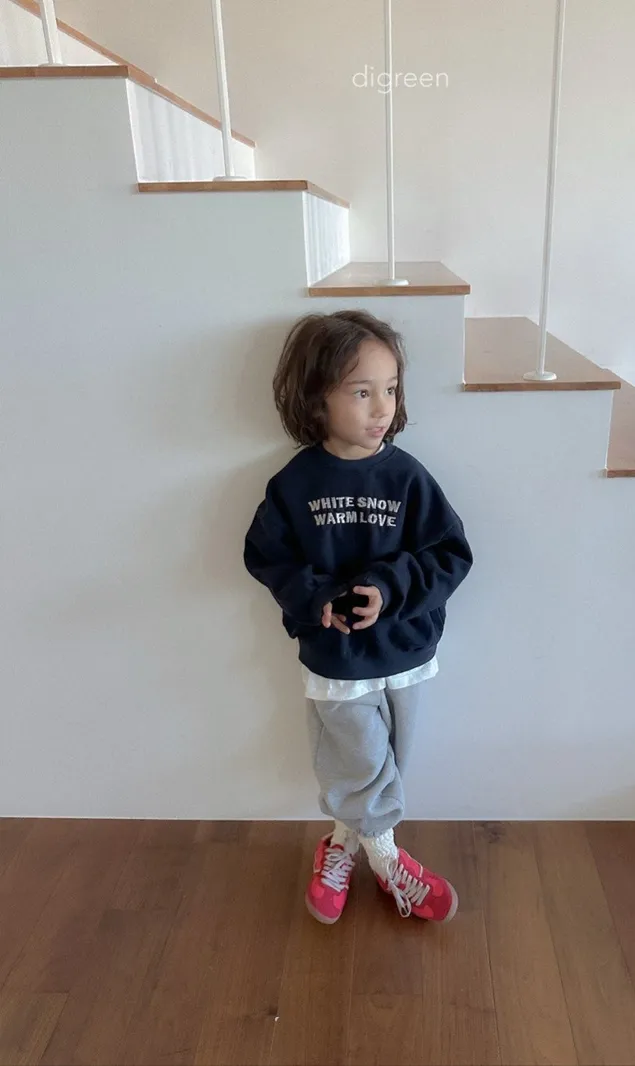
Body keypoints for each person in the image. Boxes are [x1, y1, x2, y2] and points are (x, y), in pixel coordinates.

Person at [244, 309, 472, 924]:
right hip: (336, 659)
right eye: (362, 392)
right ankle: (389, 861)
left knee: (386, 762)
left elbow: (451, 554)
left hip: (406, 653)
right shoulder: (294, 484)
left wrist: (389, 589)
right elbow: (266, 557)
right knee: (363, 764)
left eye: (390, 390)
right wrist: (318, 599)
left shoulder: (407, 476)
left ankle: (341, 845)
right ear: (318, 397)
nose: (382, 409)